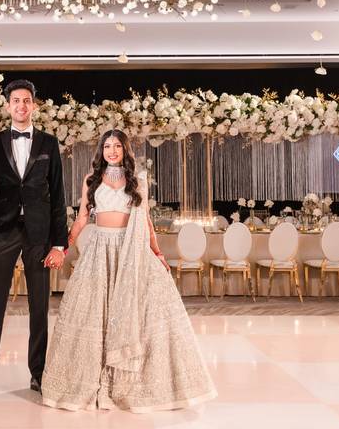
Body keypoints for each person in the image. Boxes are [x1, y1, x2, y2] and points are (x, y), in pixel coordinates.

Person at [41, 129, 216, 412]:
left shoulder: (138, 181)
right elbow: (83, 217)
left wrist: (157, 252)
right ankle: (88, 379)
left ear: (125, 150)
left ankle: (130, 383)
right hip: (99, 251)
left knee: (138, 312)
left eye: (117, 146)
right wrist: (63, 246)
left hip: (130, 252)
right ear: (101, 150)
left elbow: (145, 220)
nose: (112, 151)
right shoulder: (91, 179)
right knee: (93, 311)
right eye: (107, 146)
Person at [0, 79, 68, 399]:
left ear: (34, 105)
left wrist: (58, 243)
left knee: (39, 306)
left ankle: (38, 374)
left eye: (26, 100)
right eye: (16, 100)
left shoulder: (49, 144)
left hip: (38, 234)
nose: (21, 105)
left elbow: (58, 195)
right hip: (2, 232)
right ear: (8, 106)